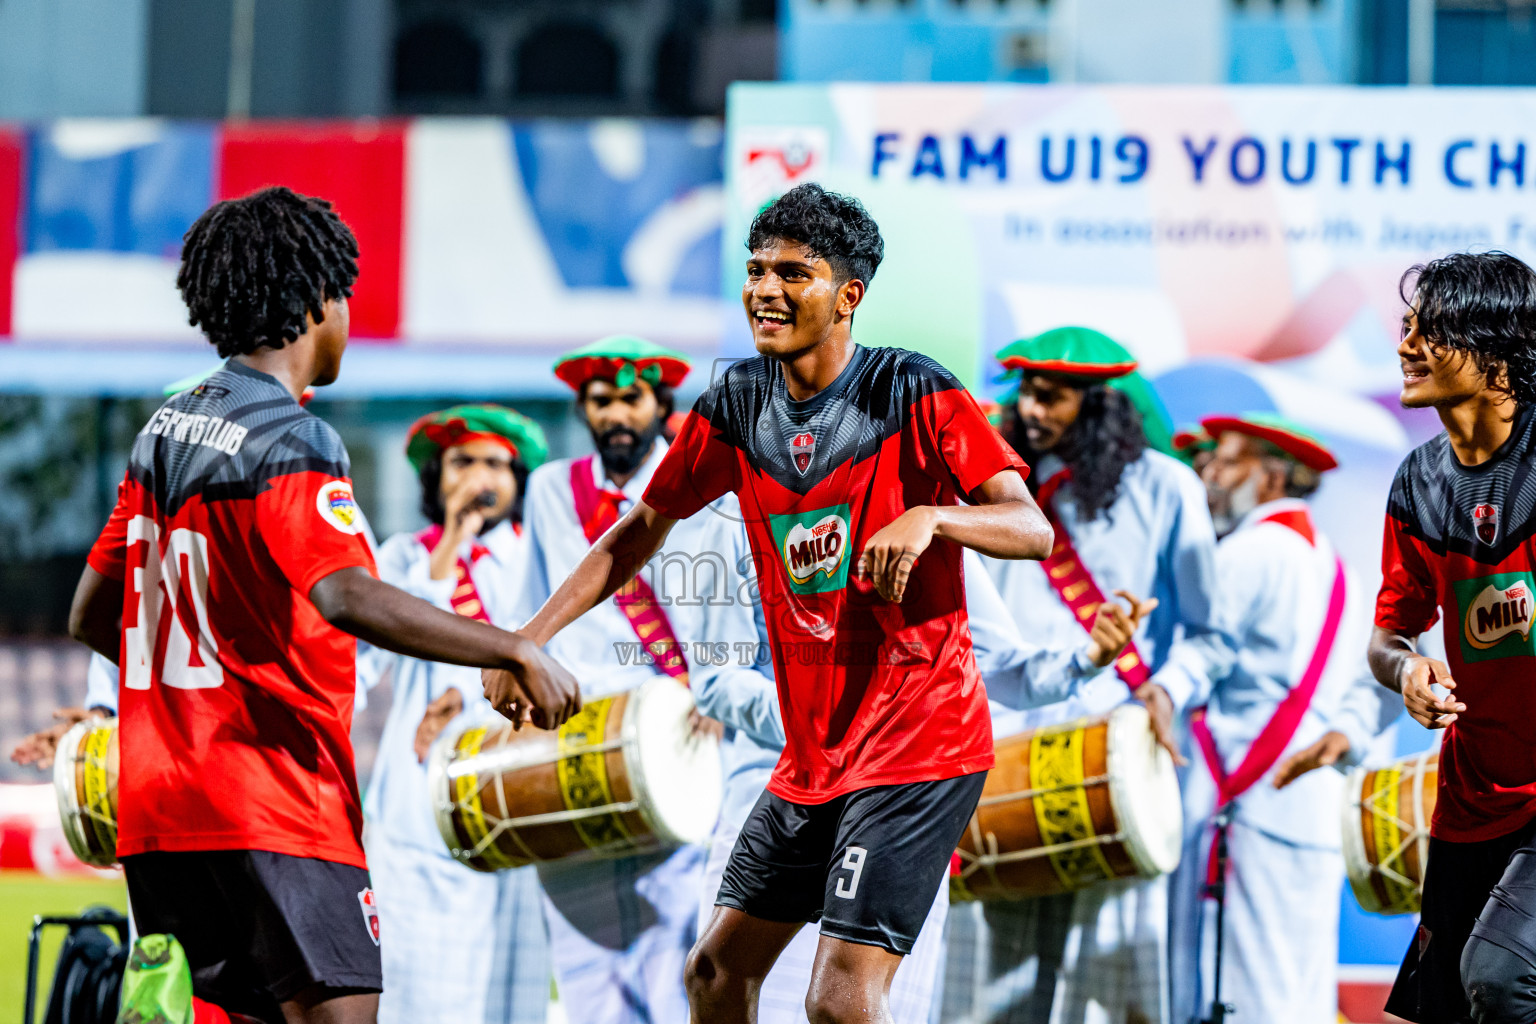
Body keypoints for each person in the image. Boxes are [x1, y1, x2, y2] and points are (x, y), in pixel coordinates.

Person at [488, 181, 1054, 1024]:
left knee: (840, 1001)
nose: (766, 288)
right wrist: (525, 639)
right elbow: (640, 531)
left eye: (795, 272)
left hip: (918, 743)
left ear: (847, 295)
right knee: (716, 975)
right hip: (812, 755)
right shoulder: (734, 404)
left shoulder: (916, 390)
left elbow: (1030, 525)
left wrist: (932, 517)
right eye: (757, 269)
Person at [66, 186, 578, 1024]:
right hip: (274, 799)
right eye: (343, 296)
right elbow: (344, 592)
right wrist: (513, 648)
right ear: (313, 304)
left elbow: (92, 614)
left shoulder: (164, 427)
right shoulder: (293, 435)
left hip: (162, 807)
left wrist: (197, 688)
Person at [687, 500, 1155, 1024]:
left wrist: (1085, 659)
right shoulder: (739, 507)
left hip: (898, 815)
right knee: (720, 981)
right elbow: (716, 680)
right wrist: (833, 721)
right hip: (776, 803)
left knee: (851, 1008)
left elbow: (997, 663)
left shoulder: (923, 504)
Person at [952, 326, 1232, 1024]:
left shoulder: (1167, 487)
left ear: (1101, 404)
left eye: (1052, 397)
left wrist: (1167, 691)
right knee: (988, 979)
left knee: (1103, 988)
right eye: (1027, 395)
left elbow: (1212, 635)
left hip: (1115, 754)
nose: (1032, 411)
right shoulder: (998, 489)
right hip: (1004, 749)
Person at [1166, 413, 1397, 1024]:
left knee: (1231, 997)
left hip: (1245, 807)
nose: (1209, 473)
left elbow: (1193, 654)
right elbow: (1384, 679)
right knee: (1297, 996)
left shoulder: (1249, 550)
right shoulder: (1334, 562)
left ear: (1271, 476)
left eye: (1227, 460)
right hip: (1311, 810)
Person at [504, 334, 708, 1024]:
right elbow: (530, 602)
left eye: (631, 399)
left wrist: (711, 687)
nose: (616, 414)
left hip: (677, 728)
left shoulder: (700, 488)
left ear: (661, 406)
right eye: (600, 401)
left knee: (678, 942)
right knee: (584, 947)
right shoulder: (550, 489)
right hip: (575, 728)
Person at [1369, 252, 1536, 1024]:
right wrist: (1404, 672)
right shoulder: (1416, 482)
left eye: (1431, 329)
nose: (1405, 344)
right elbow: (1388, 635)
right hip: (1474, 795)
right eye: (1406, 325)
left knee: (1500, 980)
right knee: (1437, 1010)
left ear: (1498, 351)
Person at [357, 404, 552, 1024]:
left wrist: (467, 701)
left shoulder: (540, 560)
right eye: (461, 462)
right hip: (414, 804)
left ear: (518, 480)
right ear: (435, 479)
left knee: (507, 989)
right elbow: (373, 651)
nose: (477, 476)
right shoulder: (403, 557)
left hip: (511, 791)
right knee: (414, 985)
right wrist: (454, 541)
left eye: (495, 463)